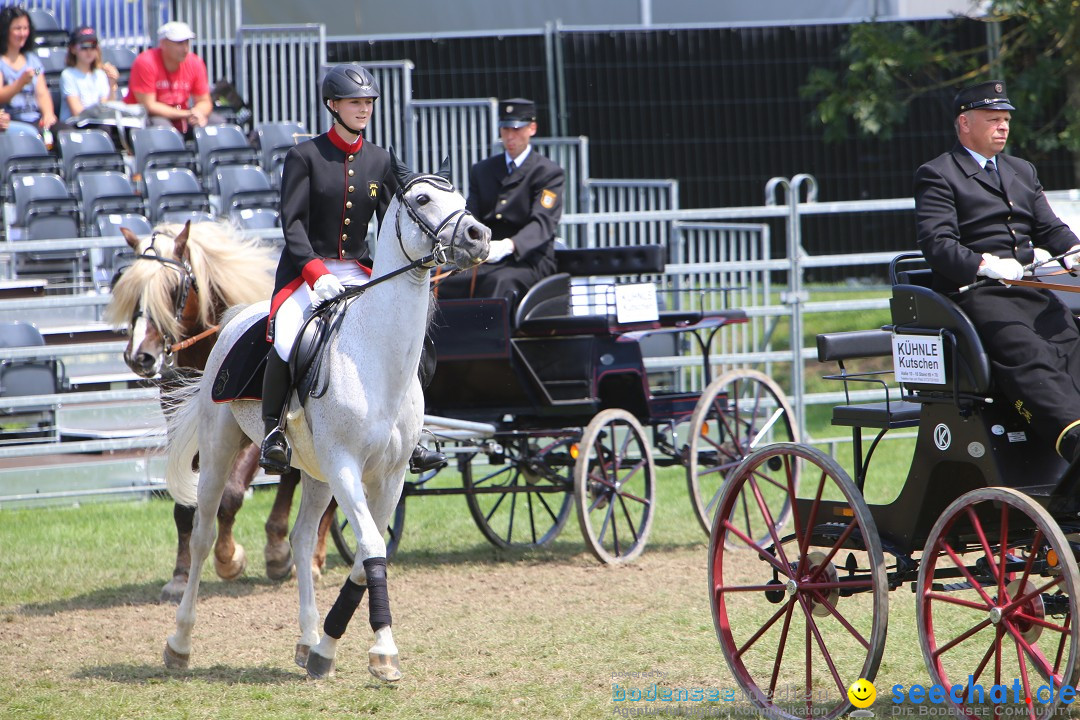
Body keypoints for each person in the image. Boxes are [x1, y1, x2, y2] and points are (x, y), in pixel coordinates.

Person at [259, 63, 445, 476]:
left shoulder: (380, 160)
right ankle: (273, 431)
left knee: (412, 340)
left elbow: (398, 220)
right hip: (307, 274)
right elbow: (291, 224)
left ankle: (416, 431)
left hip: (360, 272)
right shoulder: (304, 156)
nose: (364, 110)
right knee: (288, 337)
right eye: (355, 102)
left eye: (368, 103)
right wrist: (314, 273)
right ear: (333, 105)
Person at [915, 79, 1080, 464]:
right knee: (1029, 352)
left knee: (1070, 343)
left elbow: (1048, 228)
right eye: (993, 119)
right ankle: (1073, 438)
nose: (1003, 126)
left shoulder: (1021, 170)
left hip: (1029, 288)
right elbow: (937, 243)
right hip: (978, 293)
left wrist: (1072, 251)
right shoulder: (939, 174)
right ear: (964, 124)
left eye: (1006, 119)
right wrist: (985, 264)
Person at [435, 97, 564, 306]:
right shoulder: (483, 170)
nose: (510, 136)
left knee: (499, 283)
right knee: (443, 283)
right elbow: (473, 215)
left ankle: (493, 340)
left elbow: (542, 224)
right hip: (486, 257)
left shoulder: (547, 173)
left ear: (532, 128)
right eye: (505, 130)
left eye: (517, 129)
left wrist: (508, 246)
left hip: (528, 260)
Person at [124, 20, 222, 137]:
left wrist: (198, 113)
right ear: (163, 44)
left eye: (187, 42)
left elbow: (204, 101)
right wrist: (186, 114)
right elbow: (149, 106)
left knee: (219, 125)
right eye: (179, 43)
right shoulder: (145, 62)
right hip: (146, 118)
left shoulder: (195, 62)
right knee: (164, 130)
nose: (185, 49)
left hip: (183, 114)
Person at [0, 6, 58, 133]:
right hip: (12, 121)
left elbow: (42, 92)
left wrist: (48, 114)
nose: (22, 33)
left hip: (35, 118)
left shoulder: (32, 60)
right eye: (17, 29)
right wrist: (20, 83)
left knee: (63, 130)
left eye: (25, 28)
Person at [59, 26, 119, 124]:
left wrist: (111, 85)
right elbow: (77, 112)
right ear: (73, 49)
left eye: (93, 46)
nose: (89, 51)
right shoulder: (68, 75)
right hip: (75, 124)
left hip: (96, 122)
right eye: (84, 47)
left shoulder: (100, 75)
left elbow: (106, 108)